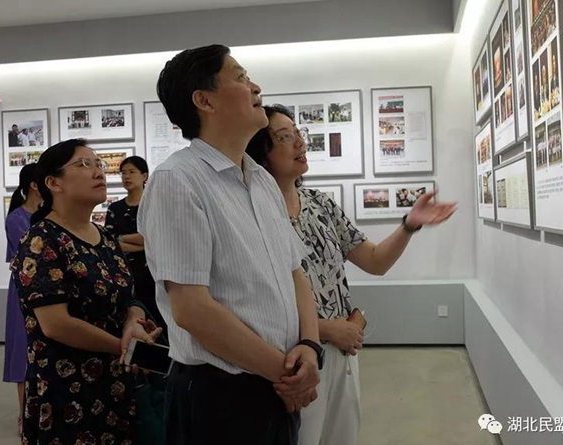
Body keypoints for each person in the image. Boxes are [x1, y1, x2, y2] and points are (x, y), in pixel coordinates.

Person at [138, 44, 322, 445]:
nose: (255, 87)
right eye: (240, 78)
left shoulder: (261, 180)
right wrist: (288, 374)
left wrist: (309, 347)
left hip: (276, 385)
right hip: (220, 395)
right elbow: (192, 310)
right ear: (204, 101)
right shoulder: (177, 181)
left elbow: (295, 273)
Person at [246, 105, 457, 445]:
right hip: (295, 359)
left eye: (298, 133)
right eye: (284, 137)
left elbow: (374, 261)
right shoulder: (252, 215)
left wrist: (409, 225)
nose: (300, 143)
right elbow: (256, 300)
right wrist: (327, 329)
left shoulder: (319, 204)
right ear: (261, 154)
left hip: (342, 354)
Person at [10, 138, 161, 445]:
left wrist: (133, 321)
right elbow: (56, 324)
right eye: (84, 164)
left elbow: (129, 297)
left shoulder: (105, 238)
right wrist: (125, 348)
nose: (99, 172)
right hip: (68, 392)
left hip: (116, 386)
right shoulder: (41, 241)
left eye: (99, 164)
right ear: (53, 183)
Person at [105, 156, 166, 332]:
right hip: (124, 274)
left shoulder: (155, 205)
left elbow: (157, 239)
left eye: (132, 172)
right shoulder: (115, 208)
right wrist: (143, 242)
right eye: (123, 173)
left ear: (144, 176)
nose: (127, 176)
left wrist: (122, 238)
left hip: (152, 274)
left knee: (158, 320)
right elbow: (110, 243)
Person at [3, 163, 42, 436]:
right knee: (22, 353)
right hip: (24, 290)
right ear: (34, 185)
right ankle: (24, 414)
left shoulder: (47, 214)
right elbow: (29, 253)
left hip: (47, 287)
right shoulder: (16, 218)